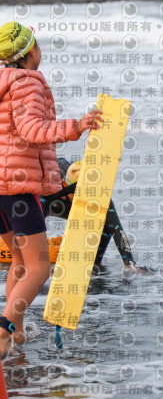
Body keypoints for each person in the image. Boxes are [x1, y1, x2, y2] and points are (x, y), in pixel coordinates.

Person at [0, 21, 103, 353]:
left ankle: (15, 334)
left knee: (19, 262)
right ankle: (3, 332)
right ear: (31, 50)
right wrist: (76, 126)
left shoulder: (2, 82)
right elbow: (31, 128)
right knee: (39, 267)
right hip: (16, 188)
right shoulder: (27, 82)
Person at [39, 158, 141, 271]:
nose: (81, 198)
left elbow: (117, 228)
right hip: (53, 203)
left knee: (105, 222)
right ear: (64, 184)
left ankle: (95, 265)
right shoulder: (48, 190)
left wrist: (129, 263)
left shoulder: (98, 193)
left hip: (68, 201)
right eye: (76, 193)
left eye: (85, 194)